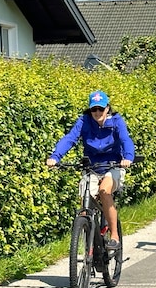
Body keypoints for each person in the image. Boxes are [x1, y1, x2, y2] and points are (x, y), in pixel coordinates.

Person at [46, 90, 135, 250]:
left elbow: (125, 139)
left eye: (101, 109)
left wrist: (128, 157)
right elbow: (70, 138)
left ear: (107, 108)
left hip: (113, 165)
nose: (97, 112)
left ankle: (114, 235)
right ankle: (89, 241)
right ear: (90, 110)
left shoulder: (116, 121)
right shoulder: (84, 121)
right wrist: (55, 157)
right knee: (85, 203)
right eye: (94, 109)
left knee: (104, 191)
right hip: (92, 167)